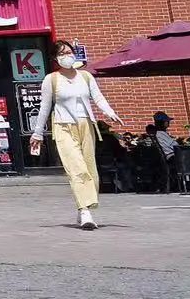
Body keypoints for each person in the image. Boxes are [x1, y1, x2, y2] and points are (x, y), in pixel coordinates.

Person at [29, 41, 122, 229]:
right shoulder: (51, 79)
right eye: (61, 53)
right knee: (76, 168)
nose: (67, 56)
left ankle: (83, 207)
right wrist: (37, 133)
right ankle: (85, 212)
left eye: (69, 52)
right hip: (63, 126)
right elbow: (44, 107)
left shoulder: (86, 77)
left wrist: (110, 112)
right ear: (55, 58)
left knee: (90, 170)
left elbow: (98, 97)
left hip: (86, 125)